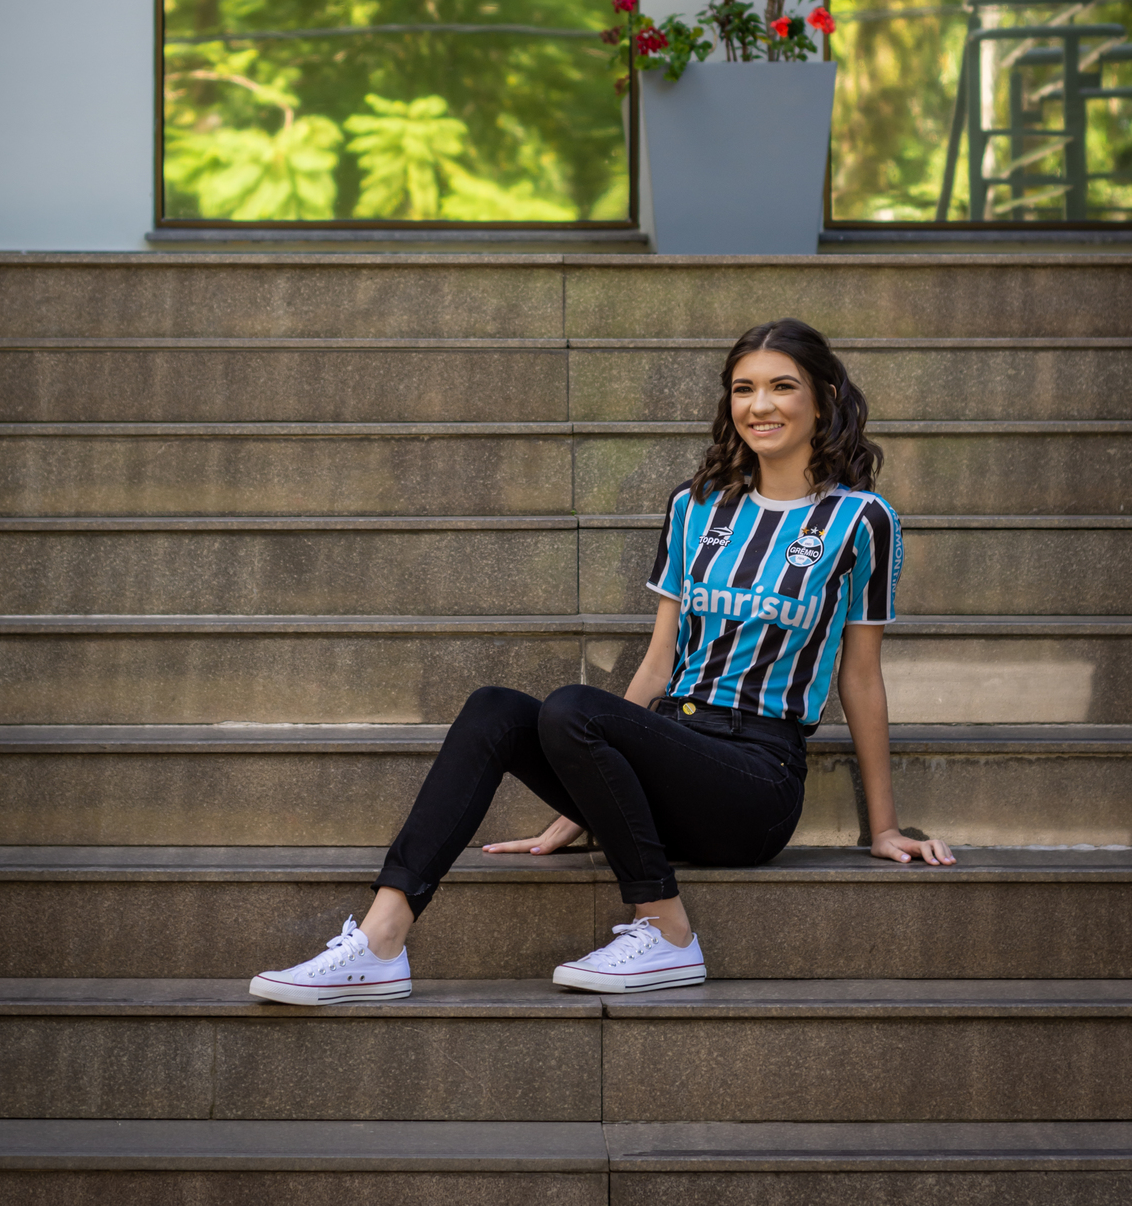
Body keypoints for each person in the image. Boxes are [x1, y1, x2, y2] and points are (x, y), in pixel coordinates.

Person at [250, 317, 954, 1005]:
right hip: (674, 741)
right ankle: (381, 940)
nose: (759, 405)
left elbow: (860, 678)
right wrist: (589, 777)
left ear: (823, 399)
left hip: (755, 781)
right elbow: (658, 661)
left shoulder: (862, 519)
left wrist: (884, 827)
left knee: (573, 707)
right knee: (495, 709)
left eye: (781, 386)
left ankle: (668, 932)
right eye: (743, 388)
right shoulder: (696, 507)